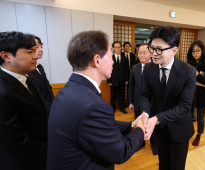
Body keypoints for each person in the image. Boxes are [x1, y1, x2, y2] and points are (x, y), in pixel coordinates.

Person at [47, 31, 147, 170]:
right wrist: (140, 130)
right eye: (111, 55)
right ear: (97, 60)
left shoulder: (69, 89)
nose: (113, 60)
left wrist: (131, 125)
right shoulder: (93, 105)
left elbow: (98, 124)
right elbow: (120, 152)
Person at [140, 26, 196, 170]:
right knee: (163, 164)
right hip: (160, 129)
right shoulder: (149, 68)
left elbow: (184, 106)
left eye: (159, 49)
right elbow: (145, 94)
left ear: (173, 50)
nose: (154, 54)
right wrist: (145, 114)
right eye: (152, 48)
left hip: (179, 128)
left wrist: (157, 118)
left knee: (177, 166)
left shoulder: (188, 71)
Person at [0, 31, 48, 169]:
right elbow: (15, 140)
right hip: (21, 162)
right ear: (6, 56)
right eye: (29, 52)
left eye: (35, 50)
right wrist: (54, 150)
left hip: (37, 157)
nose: (35, 56)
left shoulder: (26, 77)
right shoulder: (3, 92)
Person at [128, 43, 158, 155]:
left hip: (151, 102)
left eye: (144, 52)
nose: (141, 55)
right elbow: (131, 85)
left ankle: (154, 143)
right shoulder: (135, 67)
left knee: (152, 124)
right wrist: (130, 101)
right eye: (139, 52)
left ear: (150, 53)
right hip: (137, 101)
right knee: (138, 122)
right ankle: (141, 143)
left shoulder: (156, 67)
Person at [187, 40, 205, 146]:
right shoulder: (190, 62)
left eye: (197, 50)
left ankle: (199, 134)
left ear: (202, 50)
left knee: (200, 117)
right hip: (190, 94)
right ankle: (189, 132)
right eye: (193, 51)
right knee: (188, 115)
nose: (195, 53)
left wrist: (197, 75)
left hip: (203, 94)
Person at [28, 36, 54, 116]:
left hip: (50, 109)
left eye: (41, 47)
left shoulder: (39, 66)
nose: (41, 50)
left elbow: (48, 88)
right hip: (40, 111)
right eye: (37, 47)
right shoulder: (26, 70)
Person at [107, 41, 129, 114]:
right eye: (116, 47)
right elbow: (107, 70)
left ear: (121, 48)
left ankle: (122, 108)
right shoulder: (110, 58)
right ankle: (112, 109)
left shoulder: (124, 58)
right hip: (113, 81)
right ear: (113, 48)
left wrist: (126, 79)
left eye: (119, 47)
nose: (118, 48)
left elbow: (126, 70)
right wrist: (109, 81)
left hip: (122, 80)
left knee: (121, 95)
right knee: (113, 96)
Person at [122, 42, 136, 106]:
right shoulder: (121, 55)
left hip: (132, 75)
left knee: (130, 89)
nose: (127, 47)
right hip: (123, 76)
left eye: (128, 46)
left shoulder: (133, 55)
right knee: (122, 90)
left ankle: (129, 102)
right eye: (126, 46)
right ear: (123, 47)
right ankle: (122, 104)